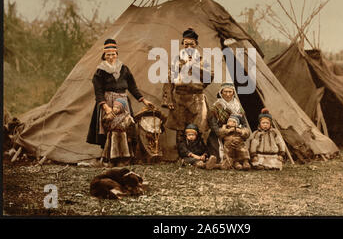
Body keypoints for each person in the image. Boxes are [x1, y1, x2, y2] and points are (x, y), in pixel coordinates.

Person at [87, 38, 154, 160]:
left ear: (117, 55)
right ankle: (108, 156)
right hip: (108, 101)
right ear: (104, 55)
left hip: (123, 101)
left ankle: (125, 155)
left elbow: (133, 87)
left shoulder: (124, 69)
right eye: (108, 55)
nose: (111, 57)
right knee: (110, 127)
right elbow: (98, 92)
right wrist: (106, 107)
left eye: (113, 54)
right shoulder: (100, 71)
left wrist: (143, 100)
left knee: (125, 127)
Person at [161, 28, 214, 156]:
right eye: (186, 44)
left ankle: (199, 154)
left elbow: (209, 77)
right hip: (179, 97)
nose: (189, 47)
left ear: (196, 45)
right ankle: (182, 155)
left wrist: (194, 66)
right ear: (182, 44)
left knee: (197, 127)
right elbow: (169, 80)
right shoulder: (176, 60)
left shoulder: (202, 61)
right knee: (180, 127)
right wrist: (168, 99)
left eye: (192, 44)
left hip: (196, 98)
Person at [208, 82, 248, 163]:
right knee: (218, 156)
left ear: (233, 93)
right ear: (221, 93)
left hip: (235, 133)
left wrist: (241, 131)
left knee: (239, 149)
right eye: (225, 92)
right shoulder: (216, 106)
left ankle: (238, 162)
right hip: (219, 134)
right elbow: (213, 123)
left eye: (230, 92)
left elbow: (244, 124)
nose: (227, 94)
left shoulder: (238, 107)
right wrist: (222, 133)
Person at [101, 98, 136, 167]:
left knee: (123, 149)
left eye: (118, 108)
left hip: (123, 135)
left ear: (122, 108)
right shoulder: (110, 115)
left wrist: (130, 137)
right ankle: (112, 161)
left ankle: (122, 161)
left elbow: (131, 127)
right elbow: (104, 125)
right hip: (112, 135)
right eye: (114, 107)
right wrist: (107, 120)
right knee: (112, 148)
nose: (115, 109)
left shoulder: (127, 117)